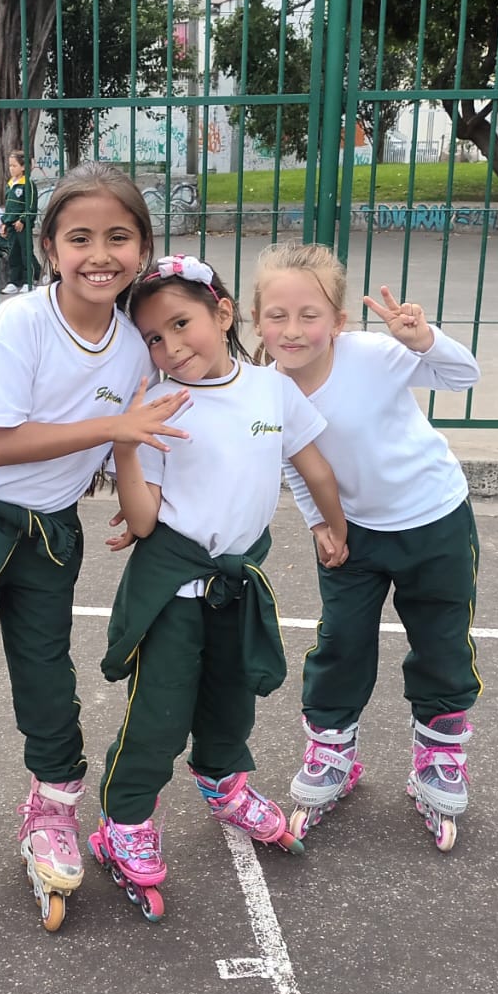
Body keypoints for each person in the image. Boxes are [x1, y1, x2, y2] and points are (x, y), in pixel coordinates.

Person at [0, 161, 188, 933]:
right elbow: (1, 441)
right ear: (49, 247)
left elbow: (125, 439)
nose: (100, 255)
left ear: (143, 247)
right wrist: (113, 429)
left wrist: (126, 490)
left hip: (48, 532)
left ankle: (51, 811)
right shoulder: (18, 325)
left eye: (119, 237)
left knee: (48, 679)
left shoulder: (133, 347)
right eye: (79, 237)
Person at [87, 255, 348, 921]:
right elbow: (144, 519)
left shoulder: (271, 390)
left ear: (224, 313)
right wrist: (125, 446)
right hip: (174, 591)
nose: (171, 346)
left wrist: (331, 524)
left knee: (232, 698)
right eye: (153, 337)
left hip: (237, 586)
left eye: (182, 324)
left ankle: (222, 781)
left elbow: (312, 466)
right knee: (158, 714)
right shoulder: (156, 406)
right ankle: (124, 820)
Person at [252, 241, 482, 853]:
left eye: (309, 315)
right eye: (277, 316)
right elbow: (295, 462)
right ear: (255, 321)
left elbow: (464, 376)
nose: (293, 330)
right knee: (342, 640)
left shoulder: (374, 356)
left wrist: (423, 340)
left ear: (338, 321)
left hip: (435, 519)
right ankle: (331, 748)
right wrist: (318, 524)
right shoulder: (268, 391)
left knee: (441, 638)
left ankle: (439, 753)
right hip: (351, 531)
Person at [0, 149, 40, 293]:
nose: (11, 168)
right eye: (10, 165)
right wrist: (4, 223)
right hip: (11, 226)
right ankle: (14, 281)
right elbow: (9, 207)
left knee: (26, 253)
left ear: (23, 167)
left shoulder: (28, 184)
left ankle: (29, 280)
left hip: (22, 226)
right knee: (13, 253)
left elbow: (31, 206)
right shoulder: (10, 184)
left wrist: (23, 220)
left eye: (14, 165)